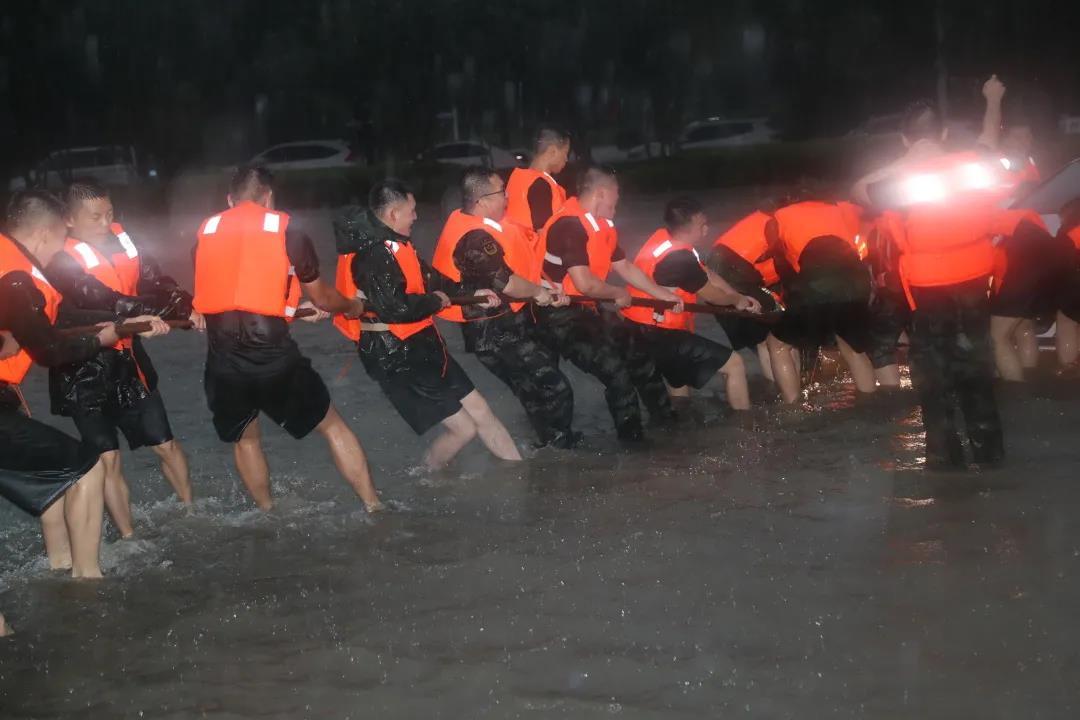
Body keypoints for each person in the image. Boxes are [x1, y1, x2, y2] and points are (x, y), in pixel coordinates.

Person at [192, 165, 381, 511]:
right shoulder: (288, 232)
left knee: (246, 441)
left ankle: (267, 512)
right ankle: (372, 505)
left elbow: (225, 290)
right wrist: (351, 305)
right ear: (269, 197)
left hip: (222, 361)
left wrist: (291, 308)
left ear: (230, 200)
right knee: (333, 427)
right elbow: (323, 298)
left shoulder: (206, 233)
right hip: (273, 357)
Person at [853, 89, 1007, 468]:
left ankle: (944, 457)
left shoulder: (899, 180)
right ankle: (989, 454)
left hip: (927, 287)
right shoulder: (975, 165)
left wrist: (903, 161)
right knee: (976, 361)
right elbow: (990, 141)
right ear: (942, 135)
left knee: (933, 373)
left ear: (906, 139)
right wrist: (992, 99)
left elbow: (857, 190)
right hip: (975, 278)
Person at [0, 190, 144, 580]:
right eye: (60, 245)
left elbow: (42, 326)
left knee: (52, 479)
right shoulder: (15, 280)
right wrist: (105, 337)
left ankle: (61, 569)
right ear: (45, 234)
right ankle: (88, 580)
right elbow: (48, 350)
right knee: (87, 469)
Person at [333, 179, 522, 469]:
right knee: (465, 429)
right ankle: (426, 479)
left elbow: (432, 280)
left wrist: (472, 295)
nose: (416, 217)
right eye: (412, 210)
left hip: (423, 344)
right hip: (395, 355)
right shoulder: (373, 256)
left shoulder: (398, 246)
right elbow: (396, 308)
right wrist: (436, 301)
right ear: (394, 214)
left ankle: (522, 473)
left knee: (481, 410)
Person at [44, 181, 194, 538]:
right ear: (68, 220)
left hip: (128, 361)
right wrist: (139, 313)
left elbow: (155, 277)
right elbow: (91, 292)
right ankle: (129, 537)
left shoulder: (124, 242)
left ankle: (191, 513)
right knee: (108, 458)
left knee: (166, 444)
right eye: (94, 217)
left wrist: (180, 302)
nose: (104, 223)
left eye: (109, 214)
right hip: (81, 369)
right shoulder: (57, 259)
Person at [431, 167, 580, 448]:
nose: (508, 197)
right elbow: (507, 283)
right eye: (501, 192)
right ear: (482, 201)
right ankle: (563, 451)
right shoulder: (474, 238)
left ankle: (551, 450)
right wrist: (538, 292)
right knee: (556, 388)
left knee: (534, 393)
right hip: (493, 333)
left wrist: (546, 288)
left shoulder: (477, 224)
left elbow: (519, 269)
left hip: (506, 325)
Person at [534, 165, 682, 440]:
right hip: (558, 314)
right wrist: (616, 293)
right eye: (617, 193)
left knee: (641, 358)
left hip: (589, 307)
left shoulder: (602, 225)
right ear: (601, 193)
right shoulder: (570, 225)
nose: (619, 200)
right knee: (616, 373)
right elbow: (584, 283)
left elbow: (624, 266)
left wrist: (663, 294)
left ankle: (669, 424)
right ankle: (634, 445)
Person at [620, 196, 760, 409]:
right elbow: (712, 296)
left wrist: (738, 296)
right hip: (659, 334)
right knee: (734, 364)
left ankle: (682, 426)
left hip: (639, 329)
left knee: (678, 382)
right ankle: (746, 427)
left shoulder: (666, 241)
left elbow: (707, 273)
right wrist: (735, 300)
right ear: (688, 228)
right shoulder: (678, 260)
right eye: (703, 225)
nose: (707, 229)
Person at [764, 194, 877, 403]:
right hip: (857, 279)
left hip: (817, 281)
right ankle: (870, 403)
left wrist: (790, 299)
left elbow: (784, 267)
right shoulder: (841, 207)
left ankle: (793, 407)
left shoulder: (778, 219)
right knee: (853, 346)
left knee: (778, 345)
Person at [988, 209, 1071, 382]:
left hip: (1023, 277)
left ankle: (1017, 390)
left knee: (998, 337)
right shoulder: (1022, 217)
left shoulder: (983, 225)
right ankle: (1031, 378)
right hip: (1048, 276)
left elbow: (992, 265)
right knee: (1024, 328)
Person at [708, 208, 788, 385]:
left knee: (762, 340)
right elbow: (784, 262)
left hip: (719, 277)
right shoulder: (778, 223)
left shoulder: (764, 220)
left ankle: (773, 387)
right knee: (779, 335)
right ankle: (787, 389)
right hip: (732, 275)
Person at [1055, 198, 1080, 372]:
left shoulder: (1069, 229)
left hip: (1074, 282)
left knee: (1067, 323)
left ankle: (1070, 370)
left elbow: (1061, 261)